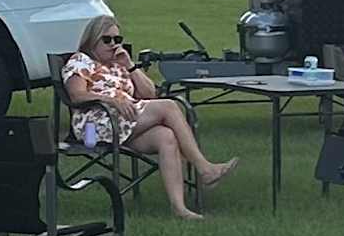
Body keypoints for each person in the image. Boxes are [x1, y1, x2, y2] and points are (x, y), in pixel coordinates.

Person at [60, 15, 235, 221]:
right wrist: (111, 101)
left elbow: (150, 94)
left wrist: (131, 66)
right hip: (93, 126)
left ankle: (180, 209)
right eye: (106, 40)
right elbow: (76, 95)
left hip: (124, 121)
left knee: (166, 136)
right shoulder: (81, 61)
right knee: (169, 106)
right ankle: (204, 168)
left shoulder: (118, 65)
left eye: (118, 39)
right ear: (92, 41)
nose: (113, 45)